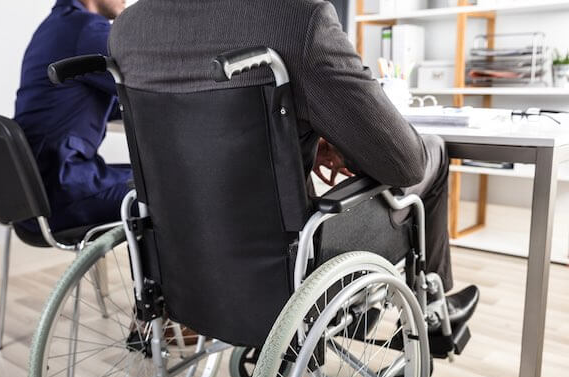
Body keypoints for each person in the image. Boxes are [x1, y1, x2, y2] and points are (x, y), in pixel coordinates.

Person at [108, 0, 479, 323]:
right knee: (431, 152)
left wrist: (310, 134)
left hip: (182, 256)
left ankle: (362, 317)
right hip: (286, 265)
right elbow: (404, 166)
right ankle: (433, 308)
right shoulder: (298, 20)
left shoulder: (129, 28)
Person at [14, 0, 129, 233]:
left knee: (150, 180)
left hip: (29, 194)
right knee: (164, 188)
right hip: (63, 191)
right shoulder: (87, 28)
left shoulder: (54, 26)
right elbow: (144, 84)